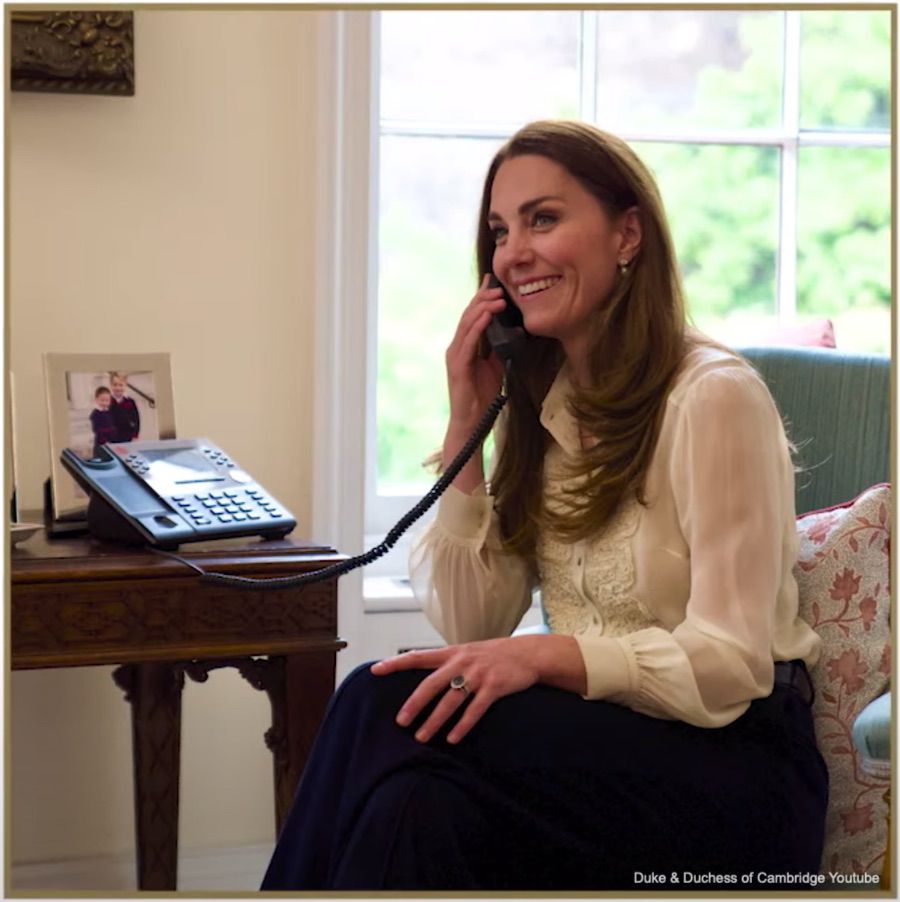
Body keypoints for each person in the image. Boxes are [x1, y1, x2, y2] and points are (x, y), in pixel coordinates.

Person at [261, 120, 828, 891]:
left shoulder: (712, 398)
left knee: (376, 699)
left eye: (543, 219)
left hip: (732, 770)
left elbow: (732, 665)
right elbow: (473, 624)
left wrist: (547, 656)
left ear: (627, 235)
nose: (512, 253)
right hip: (598, 752)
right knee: (413, 807)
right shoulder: (543, 405)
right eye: (501, 231)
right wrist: (467, 423)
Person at [109, 372, 140, 442]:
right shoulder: (107, 402)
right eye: (115, 385)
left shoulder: (130, 402)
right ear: (110, 385)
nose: (118, 388)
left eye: (121, 385)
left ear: (125, 386)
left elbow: (136, 419)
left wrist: (135, 435)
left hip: (127, 437)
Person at [88, 386, 117, 458]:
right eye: (102, 400)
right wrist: (104, 442)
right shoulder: (96, 414)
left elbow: (112, 425)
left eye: (107, 400)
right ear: (96, 400)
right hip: (101, 444)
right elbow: (96, 430)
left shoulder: (109, 412)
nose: (104, 403)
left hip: (111, 442)